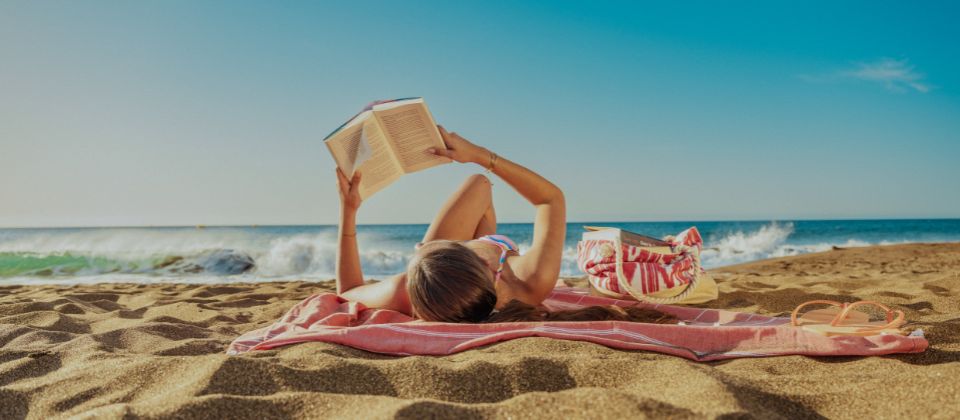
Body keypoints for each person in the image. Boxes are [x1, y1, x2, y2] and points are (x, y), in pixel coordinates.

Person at [334, 125, 672, 324]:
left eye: (422, 250)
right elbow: (551, 199)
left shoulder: (410, 291)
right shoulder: (531, 280)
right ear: (481, 258)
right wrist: (480, 154)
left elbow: (347, 291)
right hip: (466, 273)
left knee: (477, 186)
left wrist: (349, 212)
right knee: (479, 178)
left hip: (447, 282)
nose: (422, 247)